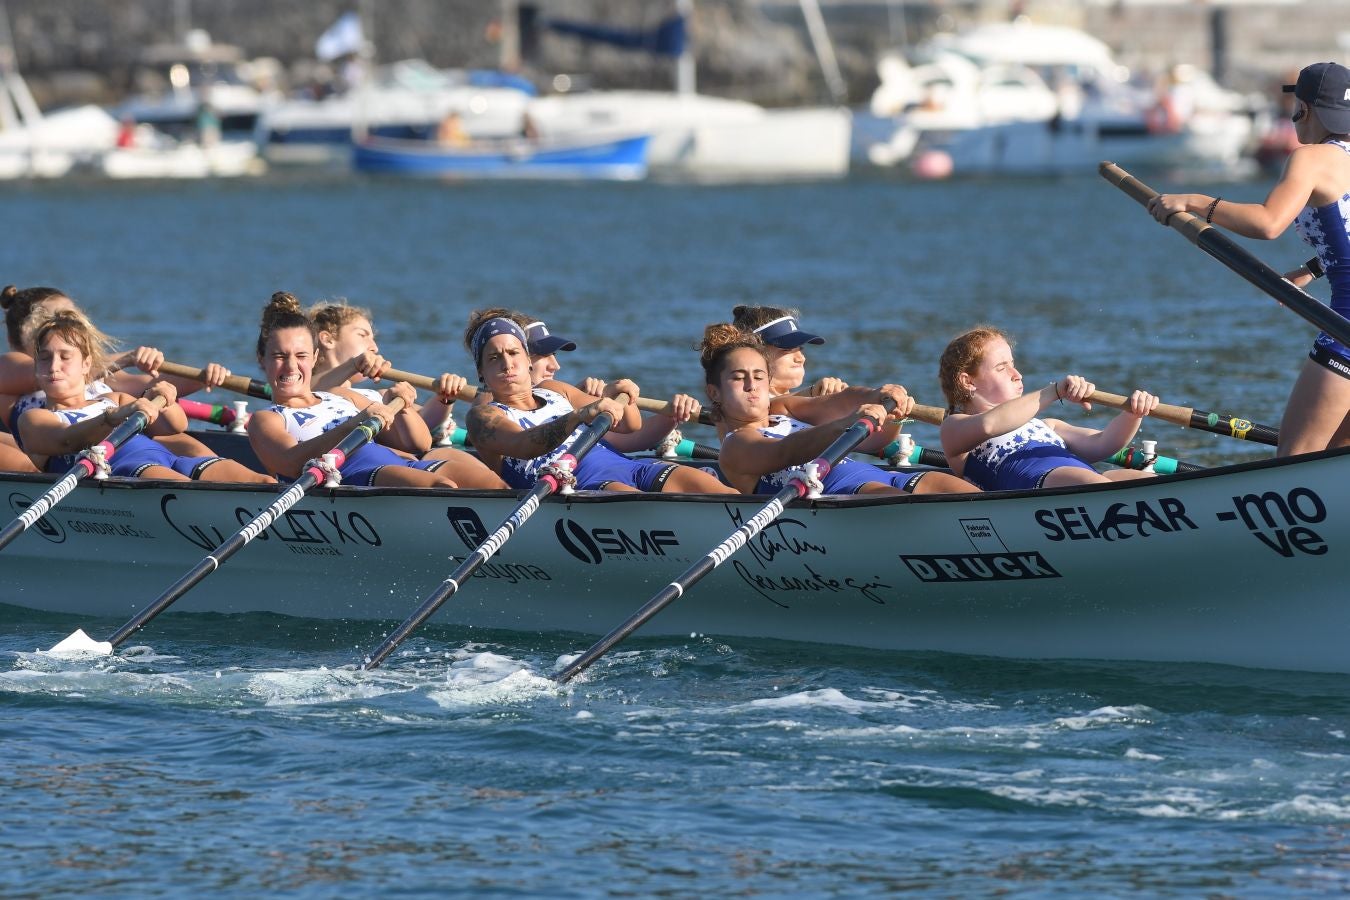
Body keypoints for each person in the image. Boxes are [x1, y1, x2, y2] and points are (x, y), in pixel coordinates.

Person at [1147, 61, 1350, 456]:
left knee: (1295, 462)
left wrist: (1195, 200)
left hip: (1345, 332)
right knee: (1339, 464)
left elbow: (1269, 223)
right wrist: (1312, 270)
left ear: (1303, 109)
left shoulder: (1311, 158)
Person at [462, 310, 735, 493]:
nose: (508, 364)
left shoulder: (555, 390)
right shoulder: (483, 417)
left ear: (526, 358)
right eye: (494, 358)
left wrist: (621, 394)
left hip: (631, 467)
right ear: (480, 371)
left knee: (723, 494)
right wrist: (579, 416)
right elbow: (522, 445)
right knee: (642, 505)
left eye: (513, 353)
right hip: (582, 485)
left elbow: (630, 426)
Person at [701, 324, 978, 496]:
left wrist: (877, 396)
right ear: (714, 392)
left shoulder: (782, 408)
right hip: (847, 493)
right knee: (899, 501)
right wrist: (848, 423)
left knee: (954, 488)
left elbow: (839, 401)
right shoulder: (735, 445)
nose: (752, 385)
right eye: (739, 378)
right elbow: (788, 450)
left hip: (884, 478)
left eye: (759, 376)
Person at [16, 310, 271, 483]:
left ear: (86, 364)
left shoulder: (116, 399)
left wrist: (163, 397)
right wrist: (114, 418)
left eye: (65, 356)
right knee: (193, 492)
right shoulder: (34, 417)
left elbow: (175, 426)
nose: (53, 366)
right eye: (45, 358)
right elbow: (65, 441)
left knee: (264, 483)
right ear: (36, 367)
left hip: (169, 459)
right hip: (126, 470)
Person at [246, 292, 458, 488]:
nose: (291, 366)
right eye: (280, 356)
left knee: (484, 481)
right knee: (441, 486)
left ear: (313, 357)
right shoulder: (266, 418)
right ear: (261, 360)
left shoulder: (340, 395)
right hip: (356, 474)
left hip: (400, 464)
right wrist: (355, 423)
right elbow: (291, 463)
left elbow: (420, 444)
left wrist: (403, 406)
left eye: (301, 356)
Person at [1, 284, 234, 461]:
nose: (71, 324)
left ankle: (227, 481)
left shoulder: (93, 376)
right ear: (21, 335)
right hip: (68, 453)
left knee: (180, 440)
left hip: (121, 446)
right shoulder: (17, 364)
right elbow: (43, 375)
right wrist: (127, 358)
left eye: (72, 315)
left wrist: (204, 377)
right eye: (57, 317)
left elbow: (148, 386)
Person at [307, 299, 505, 487]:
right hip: (378, 468)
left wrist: (444, 398)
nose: (374, 346)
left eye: (373, 338)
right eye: (362, 335)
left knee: (480, 472)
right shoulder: (307, 392)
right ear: (327, 339)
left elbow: (423, 430)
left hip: (415, 458)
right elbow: (315, 391)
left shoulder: (376, 394)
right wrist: (353, 364)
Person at [938, 326, 1159, 491]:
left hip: (1083, 483)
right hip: (1039, 489)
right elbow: (990, 425)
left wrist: (1133, 413)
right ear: (968, 382)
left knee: (1142, 481)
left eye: (1013, 365)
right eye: (1001, 368)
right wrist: (1054, 392)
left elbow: (1104, 443)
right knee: (1091, 481)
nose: (1017, 375)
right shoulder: (954, 427)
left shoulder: (1047, 426)